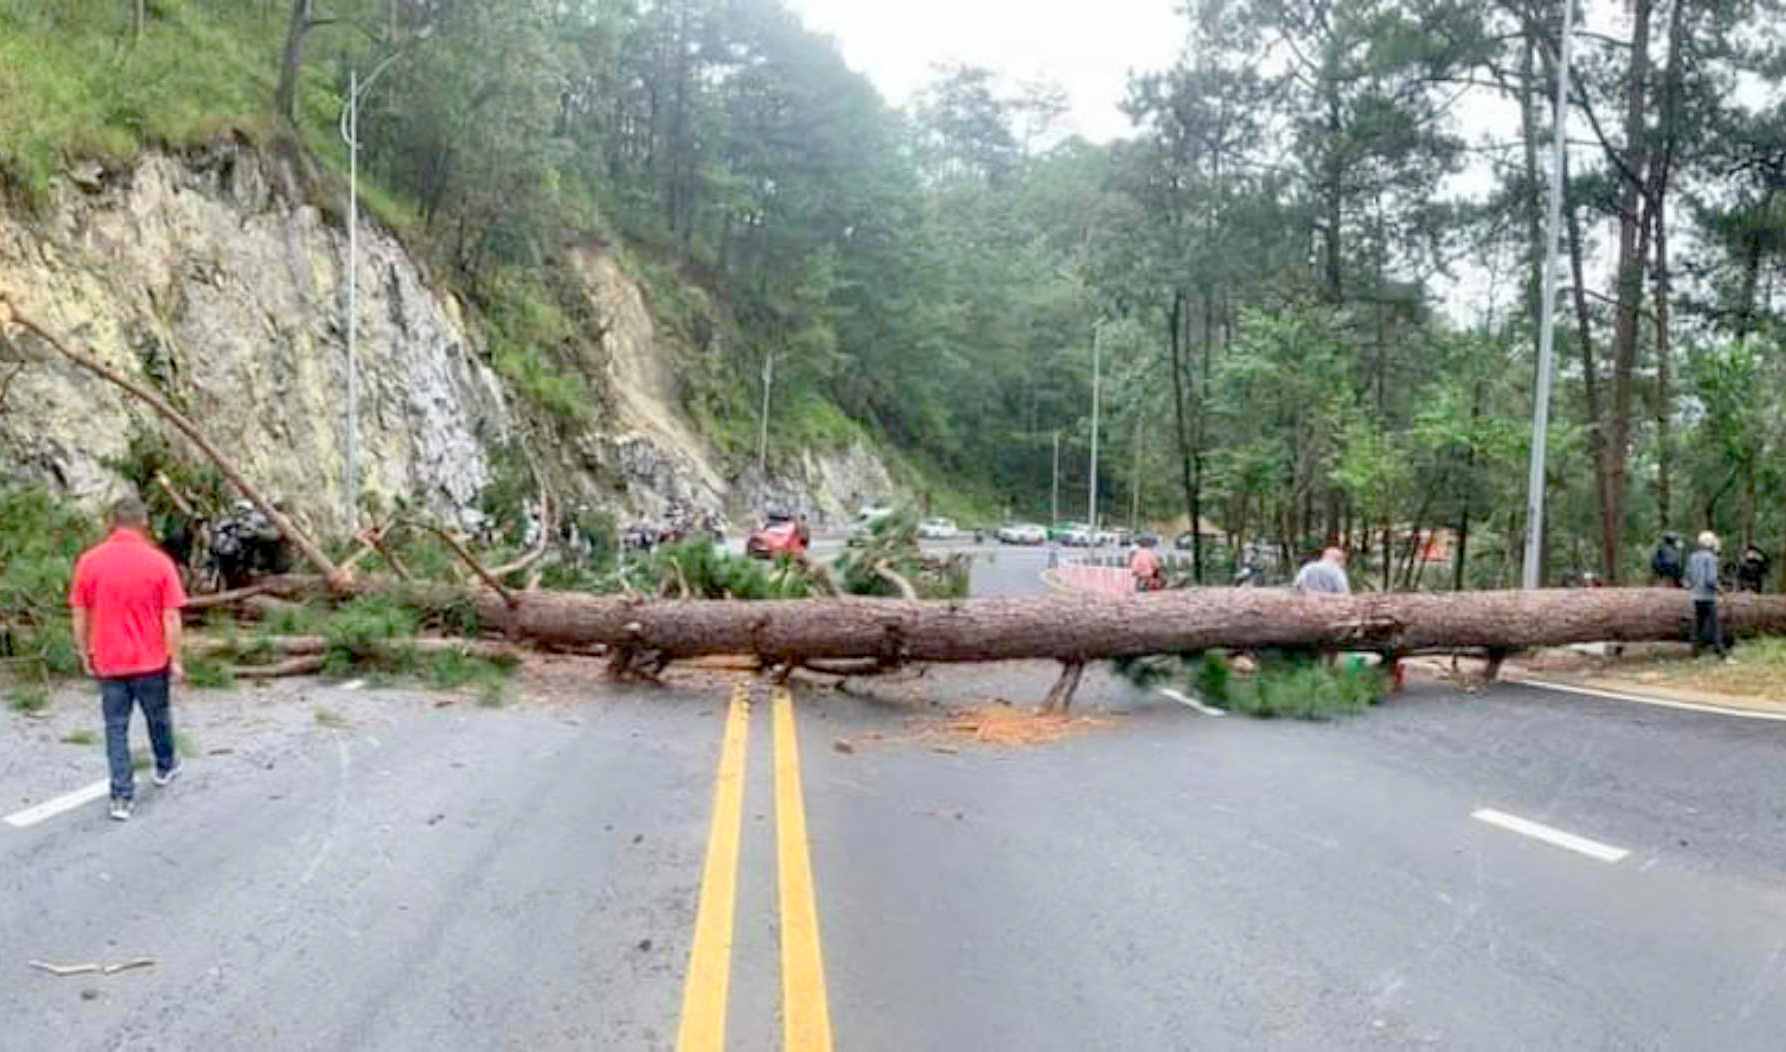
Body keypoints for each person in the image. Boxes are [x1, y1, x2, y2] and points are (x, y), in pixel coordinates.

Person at [69, 496, 189, 821]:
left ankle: (121, 797)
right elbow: (171, 617)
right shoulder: (159, 562)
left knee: (115, 728)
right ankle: (165, 766)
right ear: (144, 524)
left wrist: (84, 652)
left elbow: (80, 614)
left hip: (109, 660)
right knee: (158, 717)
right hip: (150, 661)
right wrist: (175, 658)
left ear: (111, 523)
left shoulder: (89, 561)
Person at [1686, 530, 1729, 660]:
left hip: (1695, 596)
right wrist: (1720, 589)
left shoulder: (1693, 557)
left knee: (1698, 625)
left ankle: (1694, 653)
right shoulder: (1710, 558)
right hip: (1708, 596)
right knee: (1715, 626)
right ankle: (1721, 654)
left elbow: (1689, 577)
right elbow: (1710, 579)